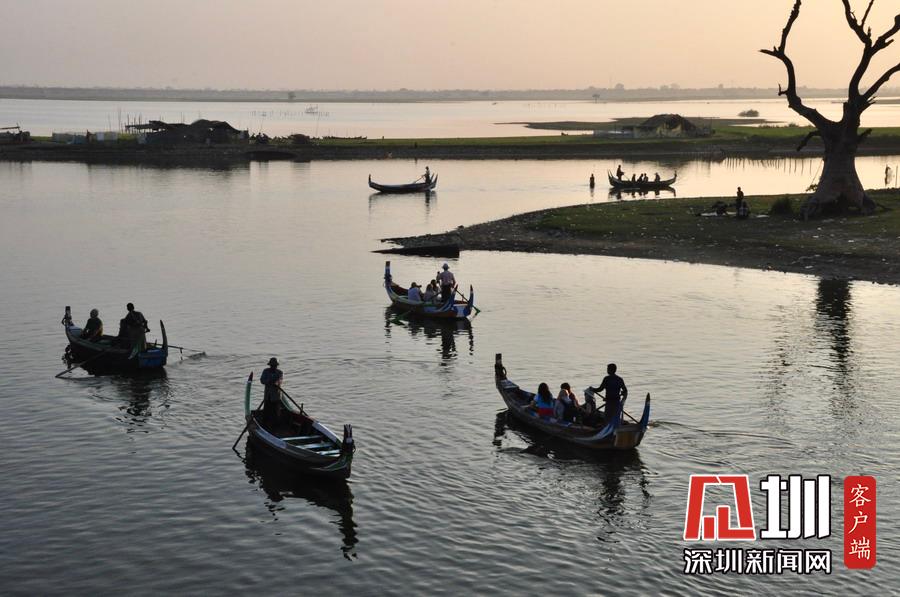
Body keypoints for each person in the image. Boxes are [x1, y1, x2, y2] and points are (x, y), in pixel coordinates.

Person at [260, 357, 284, 426]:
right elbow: (262, 380)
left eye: (275, 366)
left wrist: (275, 383)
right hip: (267, 396)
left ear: (276, 366)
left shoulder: (279, 372)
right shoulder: (265, 371)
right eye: (272, 365)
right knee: (266, 411)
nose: (273, 367)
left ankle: (275, 425)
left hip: (276, 396)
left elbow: (280, 381)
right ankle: (264, 424)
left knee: (275, 412)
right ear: (270, 365)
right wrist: (268, 381)